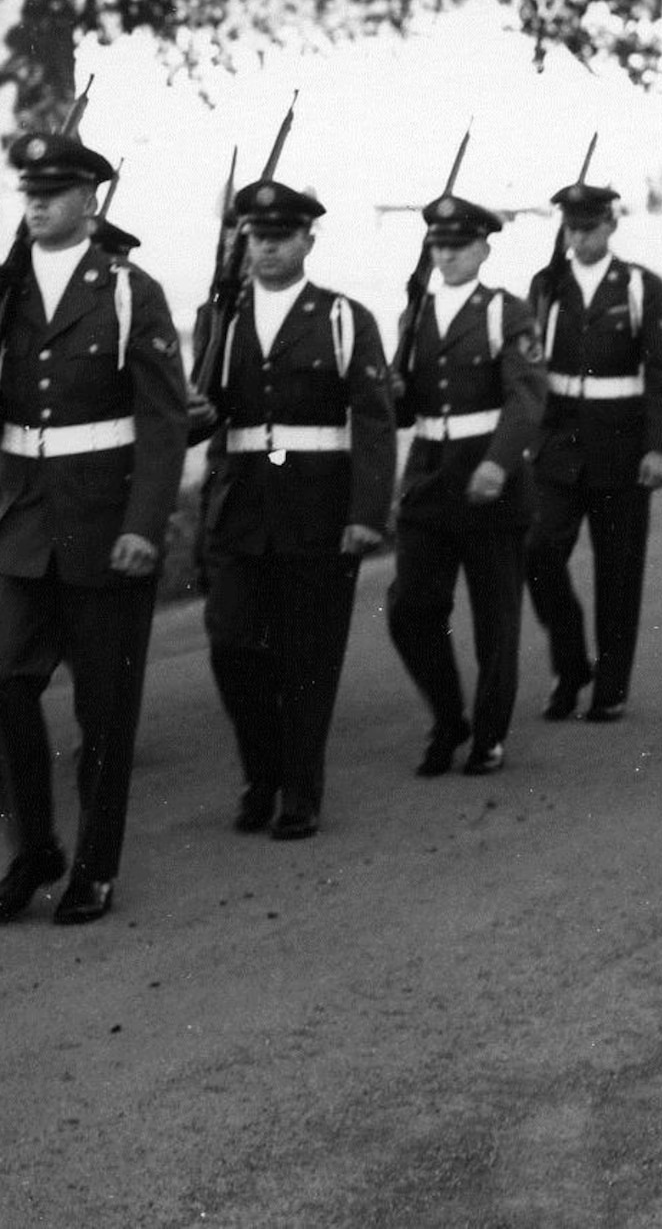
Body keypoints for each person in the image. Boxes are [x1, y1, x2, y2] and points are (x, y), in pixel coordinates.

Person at [0, 129, 188, 925]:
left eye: (56, 192)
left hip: (104, 514)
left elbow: (161, 421)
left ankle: (94, 865)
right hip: (21, 516)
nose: (39, 203)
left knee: (104, 705)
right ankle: (32, 848)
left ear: (91, 200)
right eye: (31, 192)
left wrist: (146, 523)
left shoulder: (127, 289)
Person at [189, 178, 397, 840]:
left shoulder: (342, 318)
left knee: (308, 655)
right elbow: (204, 414)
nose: (268, 249)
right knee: (232, 646)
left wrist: (367, 511)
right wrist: (196, 415)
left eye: (282, 237)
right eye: (257, 237)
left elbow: (372, 419)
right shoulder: (218, 316)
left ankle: (300, 791)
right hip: (241, 504)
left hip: (317, 506)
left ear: (309, 239)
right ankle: (262, 773)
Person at [386, 194, 547, 778]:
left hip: (489, 475)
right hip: (430, 473)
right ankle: (448, 715)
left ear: (483, 248)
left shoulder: (507, 311)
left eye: (459, 246)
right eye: (439, 246)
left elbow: (528, 396)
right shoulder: (414, 315)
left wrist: (499, 463)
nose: (447, 256)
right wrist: (396, 392)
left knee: (494, 620)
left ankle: (489, 735)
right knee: (410, 609)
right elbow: (401, 412)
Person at [523, 183, 662, 723]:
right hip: (558, 446)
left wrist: (658, 448)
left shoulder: (641, 287)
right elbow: (528, 369)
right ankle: (571, 666)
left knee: (618, 572)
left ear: (611, 226)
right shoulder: (548, 287)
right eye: (571, 228)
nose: (580, 238)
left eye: (589, 228)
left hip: (621, 448)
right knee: (538, 550)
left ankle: (610, 687)